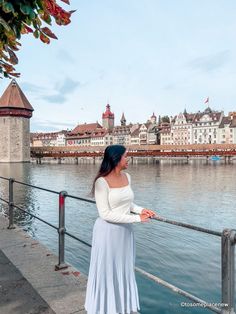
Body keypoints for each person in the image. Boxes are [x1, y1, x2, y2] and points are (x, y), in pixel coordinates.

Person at [84, 144, 157, 314]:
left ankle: (119, 306)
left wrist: (141, 210)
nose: (128, 159)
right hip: (108, 232)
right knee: (107, 271)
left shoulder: (127, 177)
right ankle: (103, 308)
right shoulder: (101, 182)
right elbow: (105, 214)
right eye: (126, 156)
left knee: (123, 269)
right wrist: (137, 219)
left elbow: (127, 203)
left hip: (125, 232)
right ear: (116, 159)